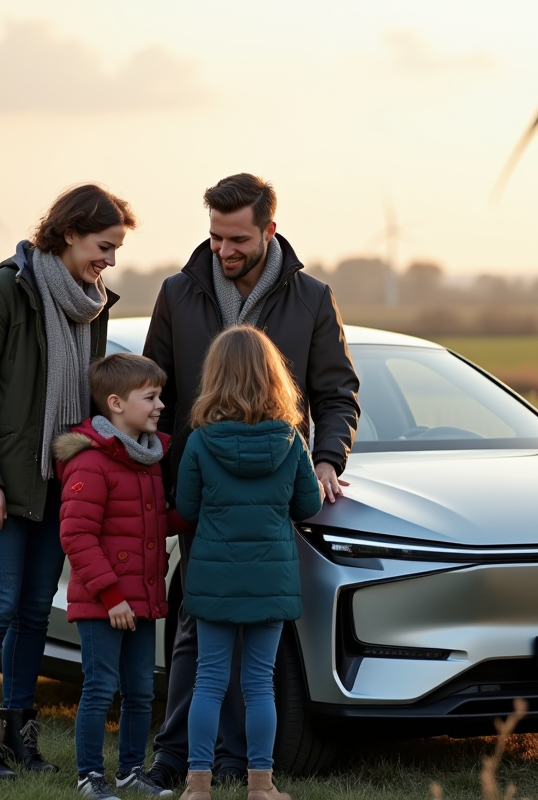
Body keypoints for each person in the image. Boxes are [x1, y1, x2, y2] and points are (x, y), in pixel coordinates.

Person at [142, 173, 360, 789]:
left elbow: (337, 392)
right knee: (194, 636)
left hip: (270, 491)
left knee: (243, 653)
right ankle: (177, 757)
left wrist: (325, 460)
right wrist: (155, 479)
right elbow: (154, 394)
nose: (223, 249)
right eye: (214, 236)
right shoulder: (177, 293)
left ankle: (235, 766)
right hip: (199, 491)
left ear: (269, 229)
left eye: (237, 237)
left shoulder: (312, 298)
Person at [0, 184, 133, 779]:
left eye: (117, 249)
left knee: (33, 613)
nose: (110, 259)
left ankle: (20, 734)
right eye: (104, 245)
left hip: (61, 483)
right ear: (70, 232)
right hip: (0, 483)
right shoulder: (0, 293)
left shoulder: (91, 305)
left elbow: (87, 402)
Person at [175, 326, 324, 800]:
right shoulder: (289, 441)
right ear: (273, 377)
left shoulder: (199, 443)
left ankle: (198, 785)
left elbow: (187, 507)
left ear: (214, 377)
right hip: (271, 580)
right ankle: (261, 786)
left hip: (214, 579)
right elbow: (308, 507)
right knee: (260, 683)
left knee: (209, 680)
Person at [54, 353, 178, 799]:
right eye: (151, 396)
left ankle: (130, 772)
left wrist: (202, 512)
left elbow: (152, 523)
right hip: (104, 603)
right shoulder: (92, 463)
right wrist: (111, 596)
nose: (160, 404)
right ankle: (90, 777)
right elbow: (76, 535)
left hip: (142, 600)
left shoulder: (147, 459)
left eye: (160, 395)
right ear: (116, 404)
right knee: (100, 688)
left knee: (142, 691)